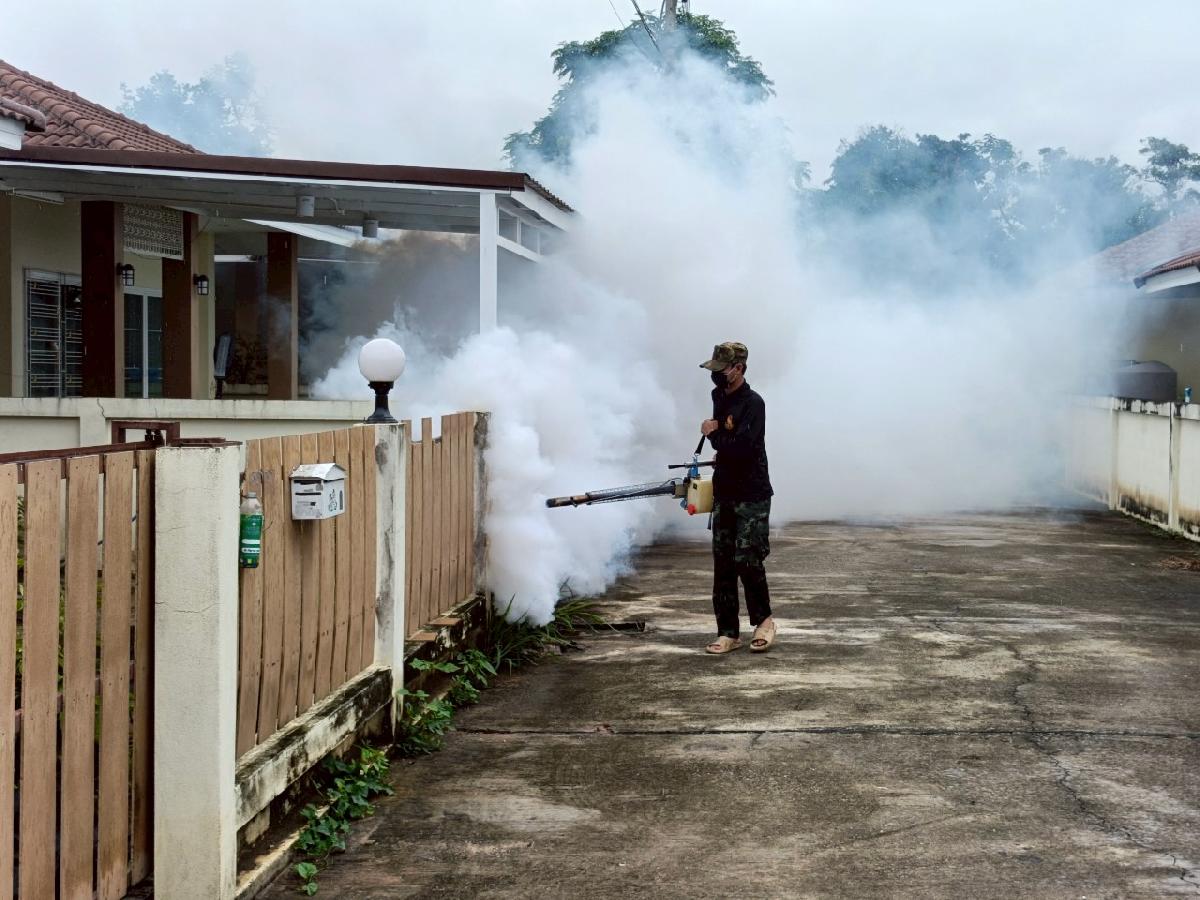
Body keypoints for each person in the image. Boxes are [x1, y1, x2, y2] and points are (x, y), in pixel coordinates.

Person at [698, 342, 775, 654]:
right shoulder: (718, 396)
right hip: (725, 491)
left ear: (738, 369)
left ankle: (764, 621)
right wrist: (720, 437)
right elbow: (728, 442)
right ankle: (728, 631)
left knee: (748, 559)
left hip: (752, 493)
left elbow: (742, 447)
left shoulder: (754, 403)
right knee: (724, 562)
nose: (716, 375)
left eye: (722, 369)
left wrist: (713, 432)